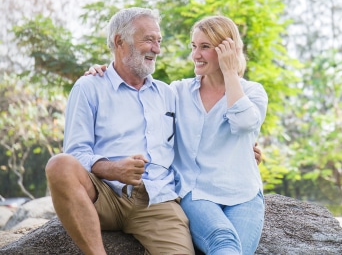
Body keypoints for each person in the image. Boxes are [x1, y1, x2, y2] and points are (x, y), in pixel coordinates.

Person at [88, 15, 268, 255]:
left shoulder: (252, 92)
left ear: (228, 51)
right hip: (196, 191)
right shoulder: (177, 92)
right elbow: (137, 98)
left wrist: (231, 73)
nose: (195, 55)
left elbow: (244, 123)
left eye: (205, 47)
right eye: (194, 46)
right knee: (224, 242)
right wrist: (105, 73)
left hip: (244, 193)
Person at [45, 7, 195, 255]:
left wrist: (242, 149)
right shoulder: (89, 87)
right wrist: (113, 169)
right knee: (59, 165)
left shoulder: (169, 94)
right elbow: (75, 152)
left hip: (156, 201)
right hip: (103, 195)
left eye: (158, 41)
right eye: (148, 39)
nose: (156, 49)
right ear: (119, 41)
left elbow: (200, 130)